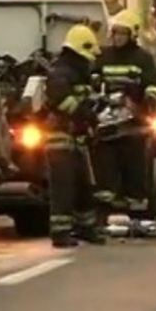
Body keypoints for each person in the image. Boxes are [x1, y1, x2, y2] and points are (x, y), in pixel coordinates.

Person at [93, 10, 156, 219]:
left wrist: (148, 100)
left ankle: (137, 208)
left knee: (134, 163)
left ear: (132, 35)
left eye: (122, 34)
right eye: (115, 33)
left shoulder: (142, 58)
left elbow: (153, 85)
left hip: (134, 122)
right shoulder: (103, 55)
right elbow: (93, 77)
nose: (118, 37)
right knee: (106, 163)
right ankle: (106, 207)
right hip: (106, 121)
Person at [45, 24, 105, 248]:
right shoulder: (61, 72)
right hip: (60, 139)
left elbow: (83, 100)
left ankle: (86, 227)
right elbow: (64, 101)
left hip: (77, 139)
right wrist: (87, 117)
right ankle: (60, 233)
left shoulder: (78, 72)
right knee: (64, 186)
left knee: (83, 184)